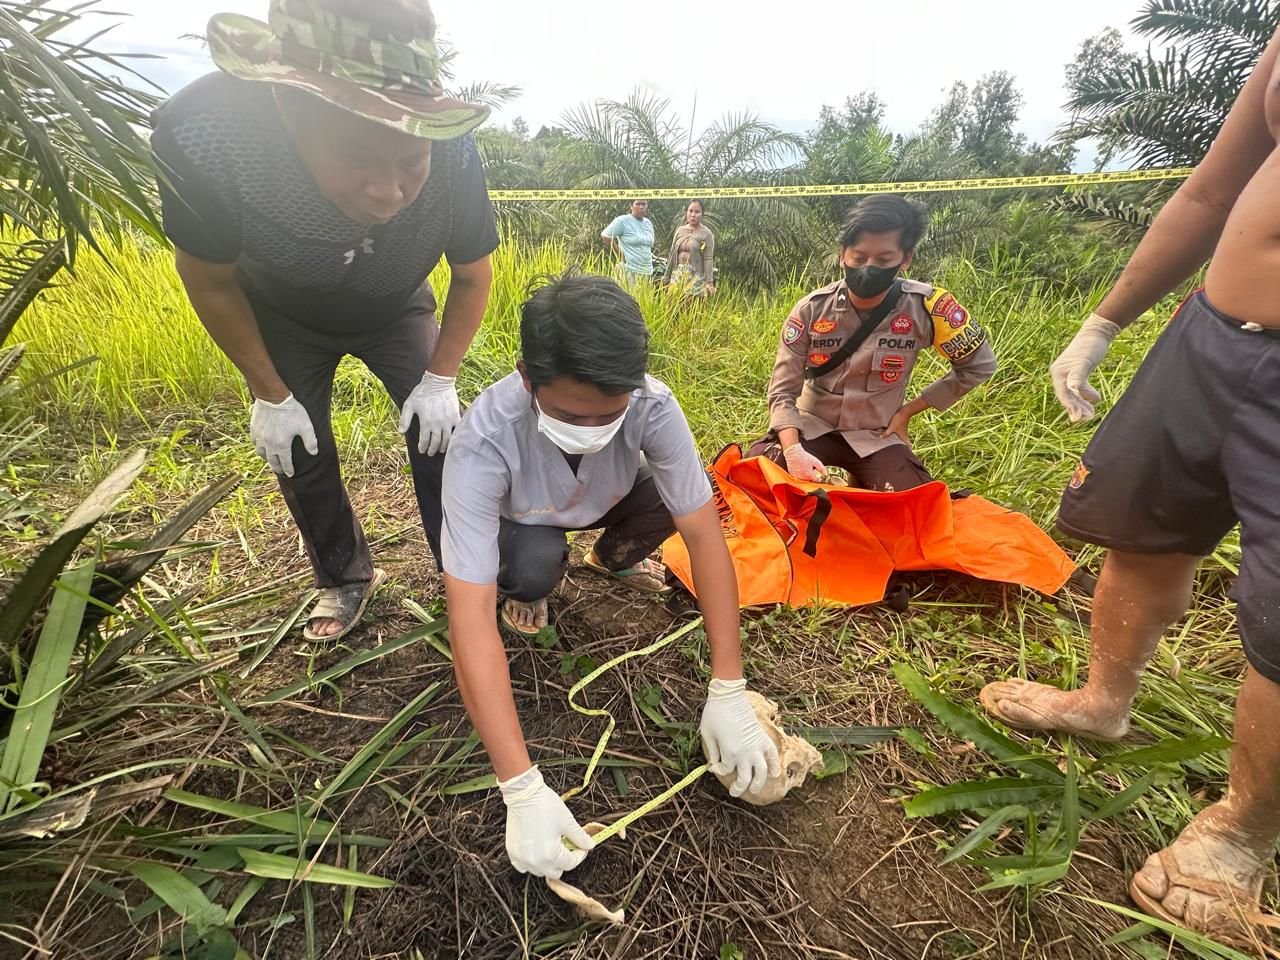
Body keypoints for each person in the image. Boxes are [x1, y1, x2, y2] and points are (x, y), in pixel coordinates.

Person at [978, 27, 1280, 946]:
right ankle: (1102, 702)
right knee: (1144, 526)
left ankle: (1241, 832)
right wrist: (1105, 321)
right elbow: (1212, 188)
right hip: (1214, 336)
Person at [150, 0, 497, 641]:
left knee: (440, 437)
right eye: (362, 161)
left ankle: (465, 571)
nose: (389, 192)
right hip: (283, 313)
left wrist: (441, 378)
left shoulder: (452, 150)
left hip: (396, 305)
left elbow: (474, 275)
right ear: (289, 110)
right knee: (299, 450)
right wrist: (268, 390)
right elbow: (208, 276)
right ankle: (342, 575)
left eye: (408, 164)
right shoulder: (207, 133)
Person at [440, 272, 780, 879]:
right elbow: (466, 615)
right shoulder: (485, 438)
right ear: (526, 376)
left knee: (672, 503)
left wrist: (729, 688)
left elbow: (704, 537)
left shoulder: (652, 405)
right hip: (529, 519)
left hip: (611, 497)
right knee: (530, 567)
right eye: (573, 413)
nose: (594, 428)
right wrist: (520, 786)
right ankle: (536, 583)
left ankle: (608, 558)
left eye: (611, 413)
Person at [747, 195, 996, 492]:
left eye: (884, 260)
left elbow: (978, 366)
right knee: (754, 479)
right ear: (843, 255)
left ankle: (858, 484)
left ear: (905, 259)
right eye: (859, 257)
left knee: (912, 508)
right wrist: (792, 451)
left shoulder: (928, 309)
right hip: (811, 427)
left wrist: (908, 412)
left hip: (877, 435)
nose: (868, 268)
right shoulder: (811, 310)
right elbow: (782, 392)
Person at [663, 199, 716, 296]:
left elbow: (708, 259)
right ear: (686, 212)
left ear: (702, 214)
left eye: (697, 212)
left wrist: (709, 282)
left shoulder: (707, 234)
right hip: (677, 274)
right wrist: (666, 276)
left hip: (695, 276)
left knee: (691, 307)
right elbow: (672, 254)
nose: (693, 215)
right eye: (690, 211)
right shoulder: (680, 230)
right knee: (672, 305)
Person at [601, 199, 656, 286]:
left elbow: (649, 245)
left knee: (643, 299)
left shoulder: (648, 223)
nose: (641, 207)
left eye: (644, 204)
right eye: (638, 204)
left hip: (647, 271)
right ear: (631, 206)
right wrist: (620, 254)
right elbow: (606, 235)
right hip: (628, 271)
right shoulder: (623, 221)